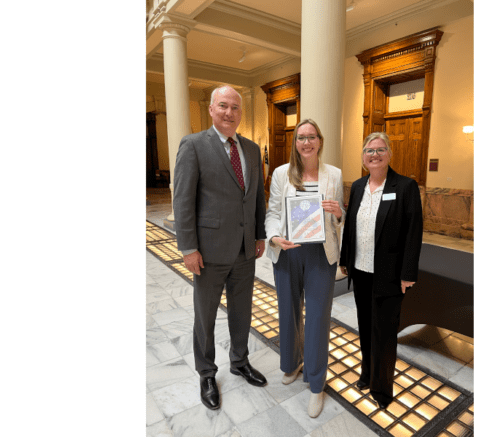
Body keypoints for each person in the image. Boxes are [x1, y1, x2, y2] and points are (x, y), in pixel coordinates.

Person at [172, 85, 268, 411]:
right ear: (212, 109)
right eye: (223, 106)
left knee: (242, 312)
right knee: (206, 316)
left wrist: (259, 236)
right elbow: (183, 200)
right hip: (209, 251)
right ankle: (207, 373)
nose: (229, 113)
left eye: (235, 108)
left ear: (241, 113)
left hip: (244, 251)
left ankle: (240, 361)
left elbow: (256, 197)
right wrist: (188, 247)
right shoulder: (195, 145)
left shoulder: (252, 150)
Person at [264, 119, 345, 418]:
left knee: (318, 318)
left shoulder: (333, 174)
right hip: (288, 251)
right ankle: (292, 363)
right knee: (288, 310)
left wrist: (339, 212)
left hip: (321, 255)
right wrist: (273, 237)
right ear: (295, 142)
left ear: (320, 141)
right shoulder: (281, 173)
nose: (306, 142)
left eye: (311, 137)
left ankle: (316, 383)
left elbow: (339, 215)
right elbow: (273, 211)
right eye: (301, 137)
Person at [339, 132, 423, 409]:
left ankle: (383, 389)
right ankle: (366, 374)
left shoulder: (405, 186)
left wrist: (408, 273)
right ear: (363, 157)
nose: (374, 154)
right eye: (368, 150)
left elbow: (413, 232)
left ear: (389, 154)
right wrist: (345, 259)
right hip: (361, 272)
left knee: (385, 333)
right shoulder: (359, 186)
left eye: (379, 149)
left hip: (388, 275)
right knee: (365, 327)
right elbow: (350, 225)